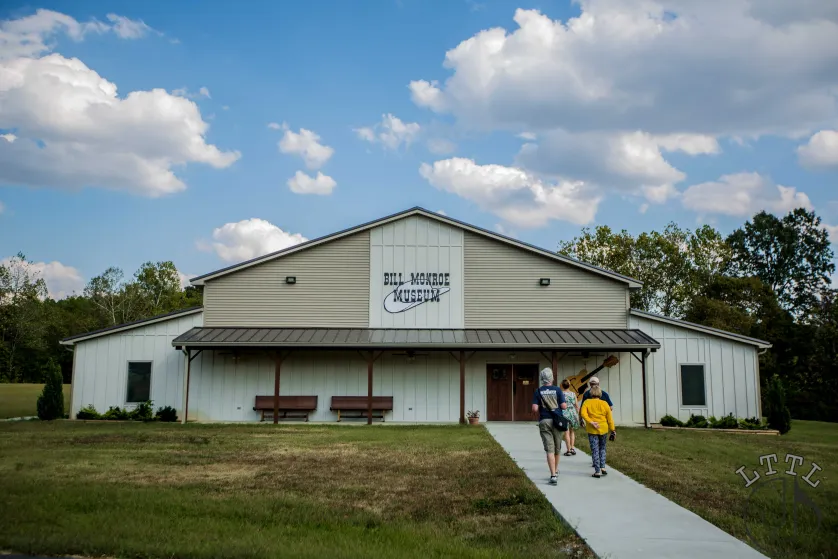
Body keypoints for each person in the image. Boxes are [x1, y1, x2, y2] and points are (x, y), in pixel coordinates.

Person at [531, 367, 567, 485]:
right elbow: (563, 406)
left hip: (545, 420)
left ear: (542, 378)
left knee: (549, 449)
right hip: (557, 421)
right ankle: (555, 471)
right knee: (557, 448)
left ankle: (552, 475)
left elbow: (535, 408)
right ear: (552, 377)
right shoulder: (557, 390)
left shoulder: (538, 391)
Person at [580, 385, 615, 478]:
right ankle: (603, 467)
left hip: (592, 429)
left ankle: (597, 471)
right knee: (602, 448)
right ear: (600, 393)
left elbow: (583, 413)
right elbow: (610, 419)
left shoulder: (587, 402)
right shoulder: (605, 403)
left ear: (591, 393)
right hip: (603, 428)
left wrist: (591, 421)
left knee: (595, 449)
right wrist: (613, 430)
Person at [560, 379, 580, 456]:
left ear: (562, 385)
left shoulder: (561, 394)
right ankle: (572, 448)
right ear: (569, 385)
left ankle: (568, 450)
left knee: (566, 432)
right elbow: (577, 406)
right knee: (572, 431)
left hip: (564, 413)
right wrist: (578, 415)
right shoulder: (573, 394)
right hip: (573, 413)